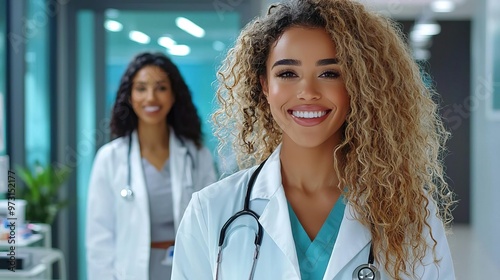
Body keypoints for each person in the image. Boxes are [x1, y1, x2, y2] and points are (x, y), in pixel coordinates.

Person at [171, 0, 457, 279]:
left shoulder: (410, 212)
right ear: (265, 86)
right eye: (287, 73)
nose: (307, 91)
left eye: (329, 73)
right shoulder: (210, 210)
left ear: (358, 85)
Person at [86, 52, 217, 280]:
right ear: (129, 96)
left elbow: (213, 223)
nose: (151, 97)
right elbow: (100, 239)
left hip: (189, 270)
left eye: (161, 88)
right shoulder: (110, 159)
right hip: (130, 272)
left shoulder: (197, 156)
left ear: (174, 94)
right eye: (141, 88)